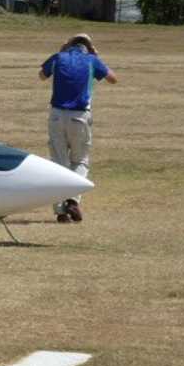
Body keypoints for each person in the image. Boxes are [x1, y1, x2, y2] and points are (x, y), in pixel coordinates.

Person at [39, 33, 117, 223]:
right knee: (80, 160)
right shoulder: (91, 60)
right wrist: (96, 56)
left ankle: (60, 211)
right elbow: (113, 78)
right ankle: (73, 199)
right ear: (89, 48)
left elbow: (42, 75)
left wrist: (60, 52)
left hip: (57, 115)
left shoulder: (58, 58)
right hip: (80, 116)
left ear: (69, 45)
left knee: (58, 163)